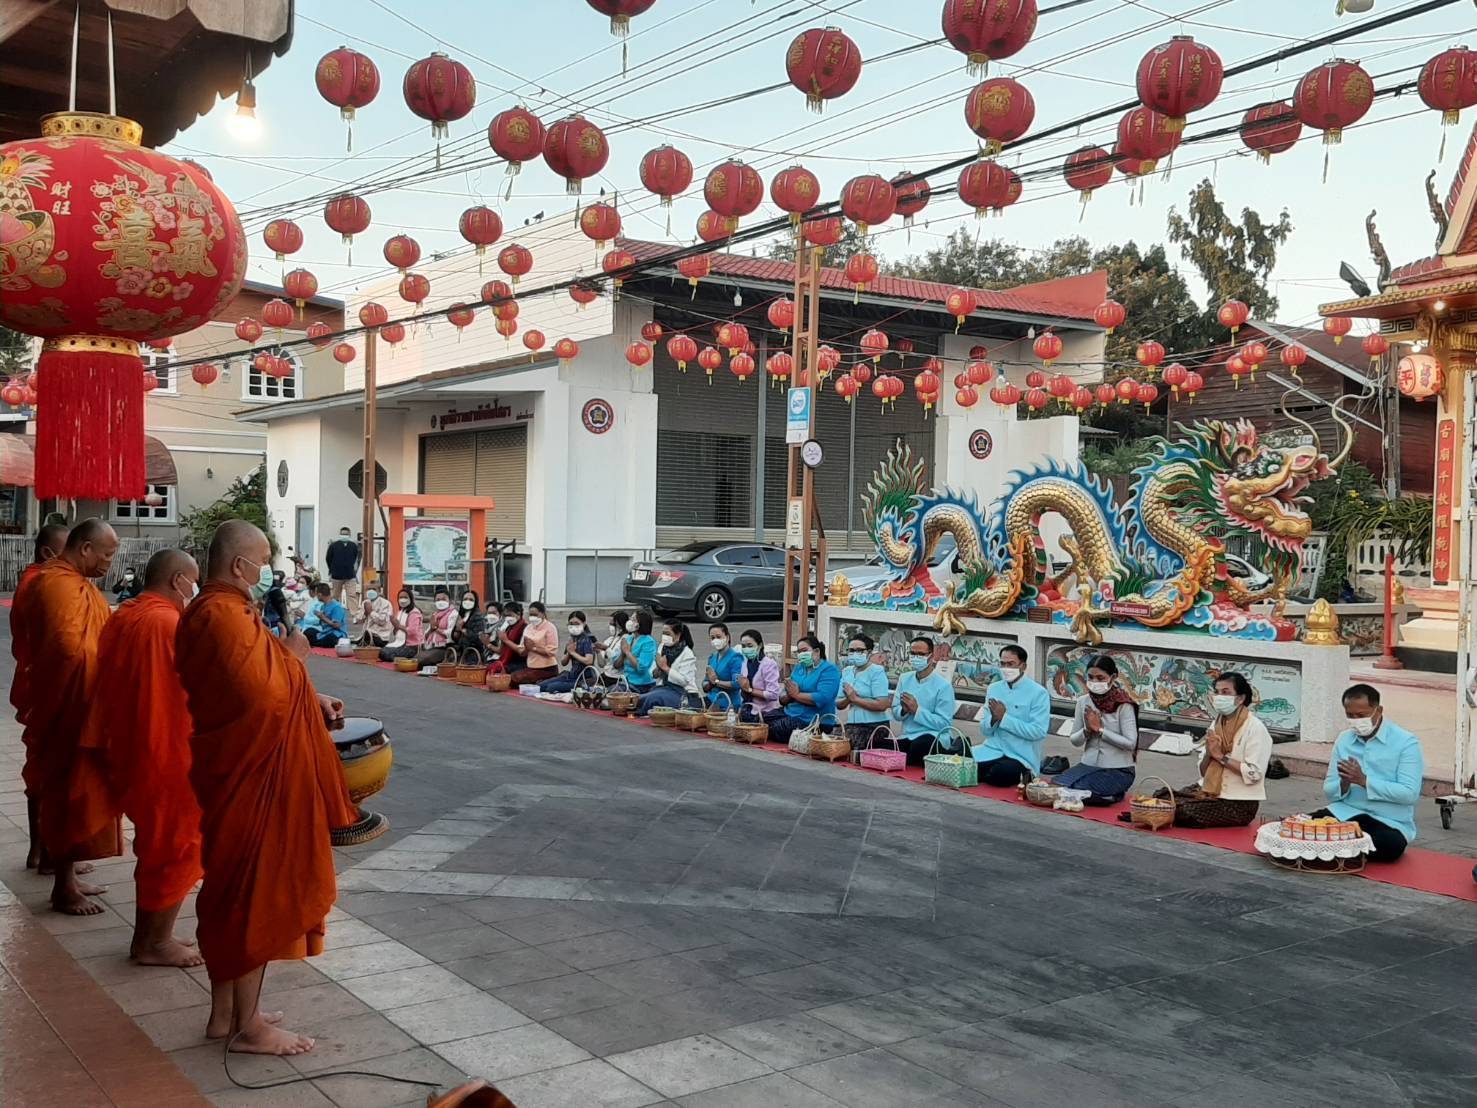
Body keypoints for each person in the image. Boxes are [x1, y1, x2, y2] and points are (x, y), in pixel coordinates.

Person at [177, 520, 358, 1056]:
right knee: (255, 891)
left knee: (232, 890)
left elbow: (262, 677)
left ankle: (225, 1016)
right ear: (240, 566)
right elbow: (264, 699)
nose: (267, 571)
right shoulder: (221, 616)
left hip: (240, 770)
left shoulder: (223, 612)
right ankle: (247, 1026)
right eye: (263, 560)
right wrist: (298, 661)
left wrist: (311, 693)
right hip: (249, 776)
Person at [76, 549, 204, 965]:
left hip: (130, 745)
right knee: (175, 845)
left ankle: (154, 935)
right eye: (193, 581)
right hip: (164, 749)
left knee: (160, 844)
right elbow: (204, 684)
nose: (194, 590)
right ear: (178, 581)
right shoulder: (167, 623)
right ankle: (152, 943)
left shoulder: (125, 614)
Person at [20, 520, 121, 914]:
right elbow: (68, 647)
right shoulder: (56, 584)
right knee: (65, 791)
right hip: (69, 705)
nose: (110, 563)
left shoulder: (75, 585)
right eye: (107, 555)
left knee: (75, 791)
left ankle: (69, 873)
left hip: (78, 702)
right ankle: (62, 887)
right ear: (85, 550)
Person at [1310, 684, 1422, 863]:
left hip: (1388, 821)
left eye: (1361, 715)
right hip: (1346, 813)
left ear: (1378, 710)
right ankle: (1344, 848)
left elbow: (1409, 794)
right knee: (1305, 825)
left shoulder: (1406, 742)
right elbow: (1329, 792)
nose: (1356, 721)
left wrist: (1364, 781)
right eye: (1350, 716)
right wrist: (1344, 783)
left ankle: (1334, 848)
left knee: (1390, 846)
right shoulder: (1344, 739)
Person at [11, 522, 68, 870]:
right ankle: (48, 851)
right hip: (44, 685)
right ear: (48, 553)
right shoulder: (42, 584)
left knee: (42, 766)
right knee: (49, 769)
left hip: (37, 682)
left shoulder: (38, 581)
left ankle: (45, 847)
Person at [1172, 672, 1273, 829]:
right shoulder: (1216, 724)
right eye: (1217, 692)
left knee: (1185, 811)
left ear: (1240, 698)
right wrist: (1208, 753)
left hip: (1238, 802)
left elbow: (1254, 774)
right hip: (1210, 791)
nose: (1219, 697)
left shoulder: (1255, 728)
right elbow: (1203, 772)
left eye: (1225, 692)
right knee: (1164, 798)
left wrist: (1220, 757)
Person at [1053, 655, 1139, 804]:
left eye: (1100, 678)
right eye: (1091, 677)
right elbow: (1074, 740)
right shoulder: (1083, 702)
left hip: (1118, 769)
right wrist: (1087, 731)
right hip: (1088, 766)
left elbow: (1131, 743)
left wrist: (1100, 730)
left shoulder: (1124, 705)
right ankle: (1104, 796)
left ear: (1113, 677)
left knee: (1079, 789)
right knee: (1058, 785)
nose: (1095, 682)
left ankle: (1108, 795)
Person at [973, 645, 1052, 787]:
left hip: (1020, 756)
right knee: (961, 760)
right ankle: (983, 772)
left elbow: (1038, 732)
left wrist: (1004, 719)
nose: (1006, 668)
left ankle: (1017, 775)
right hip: (992, 749)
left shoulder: (1038, 693)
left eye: (1011, 664)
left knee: (1001, 773)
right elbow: (985, 731)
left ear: (1023, 666)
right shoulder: (994, 688)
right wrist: (993, 719)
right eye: (1003, 664)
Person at [891, 636, 958, 766]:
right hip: (908, 735)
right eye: (913, 653)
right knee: (881, 744)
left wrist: (917, 711)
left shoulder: (943, 685)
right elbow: (895, 711)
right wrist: (904, 710)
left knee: (920, 746)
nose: (916, 657)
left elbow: (944, 723)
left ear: (931, 656)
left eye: (921, 654)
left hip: (933, 736)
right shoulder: (905, 679)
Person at [768, 635, 841, 745]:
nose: (801, 654)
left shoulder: (829, 670)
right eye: (799, 652)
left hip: (813, 720)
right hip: (790, 712)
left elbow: (822, 698)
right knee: (760, 721)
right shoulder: (799, 667)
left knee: (776, 729)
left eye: (804, 651)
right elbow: (784, 696)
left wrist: (796, 695)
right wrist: (789, 695)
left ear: (816, 651)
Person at [840, 632, 893, 751]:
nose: (855, 654)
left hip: (874, 726)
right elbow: (838, 703)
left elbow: (882, 704)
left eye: (860, 650)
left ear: (869, 652)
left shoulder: (877, 672)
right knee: (832, 739)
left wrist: (855, 699)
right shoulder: (847, 671)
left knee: (849, 744)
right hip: (852, 724)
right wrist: (848, 698)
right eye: (851, 650)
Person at [636, 619, 701, 716]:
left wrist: (666, 668)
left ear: (678, 635)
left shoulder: (687, 653)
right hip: (665, 687)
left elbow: (684, 681)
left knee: (653, 699)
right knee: (641, 698)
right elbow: (653, 673)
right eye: (663, 634)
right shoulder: (662, 647)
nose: (664, 637)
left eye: (667, 634)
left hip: (684, 693)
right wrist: (657, 669)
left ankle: (643, 714)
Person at [540, 610, 598, 694]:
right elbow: (563, 662)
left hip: (584, 678)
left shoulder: (587, 638)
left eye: (576, 623)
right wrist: (569, 653)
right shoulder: (572, 638)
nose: (573, 626)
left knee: (551, 688)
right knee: (541, 686)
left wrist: (573, 652)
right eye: (571, 623)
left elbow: (589, 661)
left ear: (584, 624)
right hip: (571, 675)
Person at [735, 629, 782, 722]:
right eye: (743, 646)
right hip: (747, 708)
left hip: (765, 712)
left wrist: (750, 690)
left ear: (759, 646)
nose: (746, 649)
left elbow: (773, 694)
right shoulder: (744, 662)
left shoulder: (768, 664)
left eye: (750, 646)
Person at [507, 601, 559, 685]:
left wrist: (533, 648)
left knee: (518, 680)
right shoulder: (528, 628)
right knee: (512, 677)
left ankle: (544, 681)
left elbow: (551, 652)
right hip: (531, 667)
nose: (532, 617)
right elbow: (522, 651)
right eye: (531, 615)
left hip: (547, 668)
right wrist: (527, 649)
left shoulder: (550, 628)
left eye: (535, 615)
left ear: (542, 614)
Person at [703, 623, 744, 712]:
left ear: (727, 637)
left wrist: (716, 682)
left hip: (728, 703)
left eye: (718, 637)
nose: (715, 640)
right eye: (712, 638)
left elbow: (736, 684)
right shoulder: (712, 658)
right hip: (711, 698)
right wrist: (709, 683)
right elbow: (705, 684)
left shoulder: (735, 658)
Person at [617, 610, 658, 696]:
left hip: (642, 685)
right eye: (630, 619)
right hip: (627, 681)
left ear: (640, 624)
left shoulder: (648, 642)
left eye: (633, 620)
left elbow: (641, 668)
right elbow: (616, 664)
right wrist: (622, 653)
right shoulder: (629, 638)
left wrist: (628, 652)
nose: (630, 622)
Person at [415, 588, 458, 669]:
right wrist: (431, 629)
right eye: (438, 599)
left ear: (449, 600)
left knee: (420, 662)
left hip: (444, 647)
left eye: (443, 599)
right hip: (431, 647)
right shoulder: (435, 614)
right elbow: (426, 634)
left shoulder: (453, 614)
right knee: (414, 660)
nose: (440, 601)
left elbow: (451, 634)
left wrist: (436, 629)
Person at [380, 589, 424, 663]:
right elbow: (396, 632)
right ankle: (400, 658)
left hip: (412, 645)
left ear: (410, 598)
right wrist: (395, 626)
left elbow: (412, 631)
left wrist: (398, 626)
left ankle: (404, 659)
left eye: (405, 597)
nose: (402, 600)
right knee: (382, 652)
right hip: (401, 643)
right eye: (400, 597)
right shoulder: (401, 611)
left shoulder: (414, 613)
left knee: (386, 654)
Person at [298, 582, 348, 648]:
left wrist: (322, 617)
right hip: (325, 632)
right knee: (309, 631)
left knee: (330, 639)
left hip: (336, 633)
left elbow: (337, 625)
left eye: (317, 595)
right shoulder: (323, 606)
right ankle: (317, 642)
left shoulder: (336, 607)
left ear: (320, 595)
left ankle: (316, 642)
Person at [324, 526, 360, 609]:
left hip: (350, 575)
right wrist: (332, 569)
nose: (344, 536)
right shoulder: (334, 546)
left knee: (352, 595)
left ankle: (354, 614)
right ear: (340, 534)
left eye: (346, 534)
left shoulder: (353, 546)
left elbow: (355, 558)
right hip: (336, 575)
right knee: (335, 596)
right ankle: (334, 612)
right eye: (342, 534)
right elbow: (328, 558)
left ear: (349, 535)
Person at [485, 599, 523, 671]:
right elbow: (502, 649)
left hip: (517, 662)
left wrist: (505, 640)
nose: (508, 618)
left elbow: (521, 652)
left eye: (510, 615)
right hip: (503, 660)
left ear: (518, 614)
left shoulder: (523, 628)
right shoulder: (508, 628)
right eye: (506, 615)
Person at [595, 610, 630, 687]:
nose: (611, 626)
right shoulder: (610, 639)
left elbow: (617, 663)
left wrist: (606, 649)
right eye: (610, 624)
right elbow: (602, 664)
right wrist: (598, 652)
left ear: (620, 625)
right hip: (606, 675)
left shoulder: (626, 639)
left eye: (613, 624)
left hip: (617, 678)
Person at [262, 570, 292, 636]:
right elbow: (284, 615)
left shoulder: (271, 591)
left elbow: (284, 614)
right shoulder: (275, 592)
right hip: (273, 626)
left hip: (272, 625)